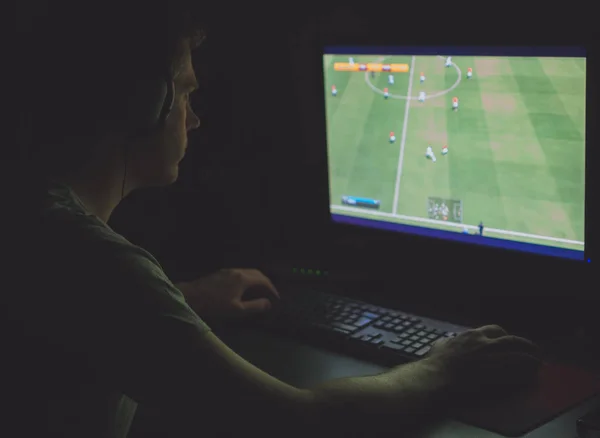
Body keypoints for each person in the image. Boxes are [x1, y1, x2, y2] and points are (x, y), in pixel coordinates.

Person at [9, 2, 541, 437]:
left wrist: (184, 300)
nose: (194, 117)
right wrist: (442, 365)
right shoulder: (95, 263)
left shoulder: (35, 219)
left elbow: (96, 320)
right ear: (142, 105)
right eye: (187, 91)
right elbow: (304, 420)